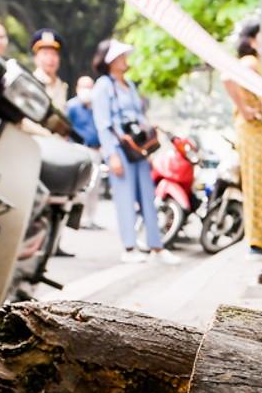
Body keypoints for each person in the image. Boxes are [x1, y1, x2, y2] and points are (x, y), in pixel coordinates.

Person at [90, 39, 179, 266]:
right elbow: (103, 123)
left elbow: (140, 117)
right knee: (124, 198)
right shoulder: (103, 86)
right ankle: (129, 247)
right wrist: (111, 154)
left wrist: (148, 145)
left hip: (138, 149)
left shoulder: (129, 85)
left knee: (148, 197)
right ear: (109, 60)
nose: (124, 60)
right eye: (120, 56)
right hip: (119, 148)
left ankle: (156, 246)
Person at [222, 20, 262, 255]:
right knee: (257, 182)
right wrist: (243, 108)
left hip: (260, 128)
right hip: (252, 129)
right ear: (252, 41)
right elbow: (226, 77)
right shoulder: (250, 61)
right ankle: (258, 240)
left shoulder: (261, 62)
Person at [64, 74, 105, 229]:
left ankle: (90, 219)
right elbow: (66, 129)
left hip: (96, 151)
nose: (87, 90)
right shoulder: (72, 106)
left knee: (94, 188)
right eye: (84, 87)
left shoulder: (97, 107)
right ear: (77, 88)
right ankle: (75, 219)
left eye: (90, 87)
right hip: (78, 150)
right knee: (80, 187)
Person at [21, 28, 68, 138]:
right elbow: (24, 121)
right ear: (36, 58)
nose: (50, 59)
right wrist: (49, 136)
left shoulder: (61, 86)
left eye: (54, 54)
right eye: (45, 54)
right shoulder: (29, 83)